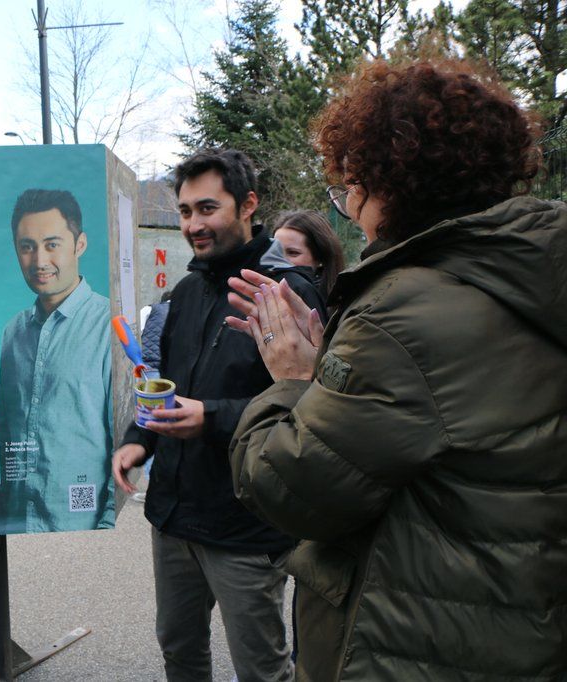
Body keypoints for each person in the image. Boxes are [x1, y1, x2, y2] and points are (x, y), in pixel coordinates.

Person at [225, 59, 565, 681]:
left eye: (351, 186)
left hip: (417, 642)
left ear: (393, 184)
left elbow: (290, 486)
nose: (350, 208)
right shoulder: (530, 279)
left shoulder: (403, 314)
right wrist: (339, 364)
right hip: (520, 627)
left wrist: (295, 379)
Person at [111, 148, 326, 682]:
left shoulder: (284, 294)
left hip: (247, 523)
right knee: (179, 651)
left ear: (248, 204)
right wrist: (139, 438)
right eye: (184, 212)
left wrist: (210, 416)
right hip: (173, 517)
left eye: (207, 208)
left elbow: (308, 406)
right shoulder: (184, 291)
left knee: (261, 667)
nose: (193, 224)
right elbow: (167, 386)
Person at [0, 188, 113, 534]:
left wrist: (106, 523)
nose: (39, 261)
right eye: (27, 246)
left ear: (79, 245)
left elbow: (125, 437)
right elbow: (6, 430)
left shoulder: (110, 325)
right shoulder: (12, 331)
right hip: (16, 520)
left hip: (81, 521)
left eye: (52, 244)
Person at [270, 210, 345, 298]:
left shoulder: (341, 304)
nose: (280, 259)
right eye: (276, 251)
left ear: (320, 258)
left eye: (293, 253)